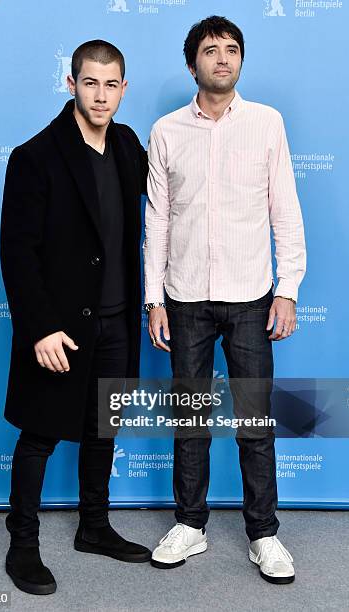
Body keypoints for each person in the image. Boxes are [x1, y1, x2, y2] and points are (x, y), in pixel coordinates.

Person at [143, 16, 306, 584]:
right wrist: (153, 299)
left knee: (255, 423)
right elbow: (157, 221)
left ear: (241, 60)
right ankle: (191, 525)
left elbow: (284, 209)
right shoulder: (165, 131)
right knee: (190, 422)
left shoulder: (267, 124)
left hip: (251, 299)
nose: (222, 59)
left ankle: (263, 532)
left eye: (231, 50)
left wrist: (287, 290)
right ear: (193, 64)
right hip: (185, 299)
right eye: (210, 51)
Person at [0, 39, 150, 596]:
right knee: (39, 435)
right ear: (71, 84)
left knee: (101, 430)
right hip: (59, 327)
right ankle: (22, 545)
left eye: (112, 84)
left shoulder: (130, 143)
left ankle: (94, 526)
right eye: (90, 82)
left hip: (116, 321)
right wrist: (39, 327)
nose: (101, 95)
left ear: (124, 89)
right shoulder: (35, 155)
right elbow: (16, 252)